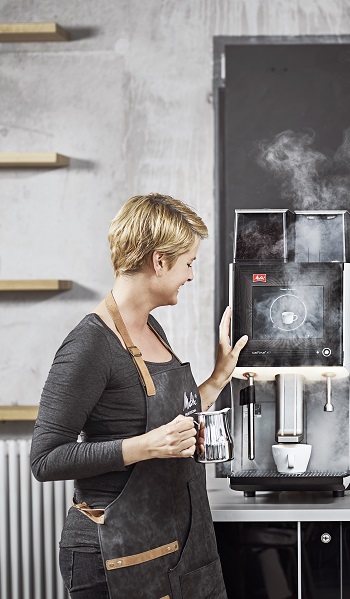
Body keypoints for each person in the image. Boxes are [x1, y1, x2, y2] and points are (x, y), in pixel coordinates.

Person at [31, 193, 248, 599]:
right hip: (115, 550)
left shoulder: (151, 329)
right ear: (160, 261)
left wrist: (219, 377)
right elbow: (45, 459)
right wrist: (145, 446)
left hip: (174, 541)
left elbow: (170, 421)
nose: (191, 275)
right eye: (189, 263)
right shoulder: (90, 345)